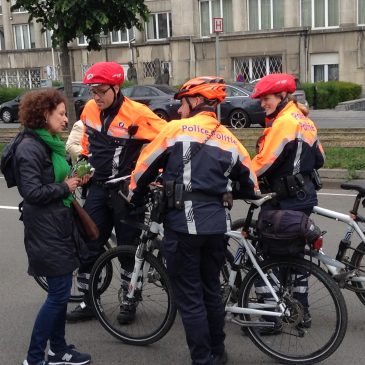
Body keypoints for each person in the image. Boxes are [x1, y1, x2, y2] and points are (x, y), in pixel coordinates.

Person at [128, 76, 258, 365]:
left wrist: (132, 198)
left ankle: (202, 360)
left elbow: (143, 169)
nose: (179, 109)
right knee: (211, 290)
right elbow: (251, 187)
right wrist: (222, 189)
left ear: (196, 101)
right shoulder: (231, 139)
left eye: (182, 102)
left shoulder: (175, 130)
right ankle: (218, 352)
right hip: (217, 227)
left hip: (183, 226)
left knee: (190, 296)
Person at [66, 61, 167, 323]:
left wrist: (150, 172)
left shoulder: (138, 113)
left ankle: (129, 299)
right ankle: (89, 302)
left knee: (127, 250)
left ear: (116, 87)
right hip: (98, 189)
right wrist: (83, 164)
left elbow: (166, 140)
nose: (96, 97)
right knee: (89, 245)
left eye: (100, 91)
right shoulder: (89, 109)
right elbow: (87, 140)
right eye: (92, 91)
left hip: (126, 192)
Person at [13, 89, 91, 365]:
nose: (66, 120)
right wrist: (65, 186)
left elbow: (51, 179)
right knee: (58, 295)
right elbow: (32, 192)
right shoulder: (29, 147)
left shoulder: (48, 142)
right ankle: (34, 358)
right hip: (45, 229)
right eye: (60, 114)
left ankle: (58, 350)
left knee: (59, 293)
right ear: (44, 114)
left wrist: (74, 178)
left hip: (59, 225)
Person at [250, 73, 325, 332]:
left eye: (266, 99)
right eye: (261, 100)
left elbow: (264, 162)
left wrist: (238, 177)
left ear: (282, 96)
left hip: (284, 199)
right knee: (296, 255)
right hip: (305, 197)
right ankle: (301, 312)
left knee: (268, 254)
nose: (262, 104)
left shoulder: (283, 123)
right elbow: (321, 158)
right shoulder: (304, 121)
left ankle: (272, 317)